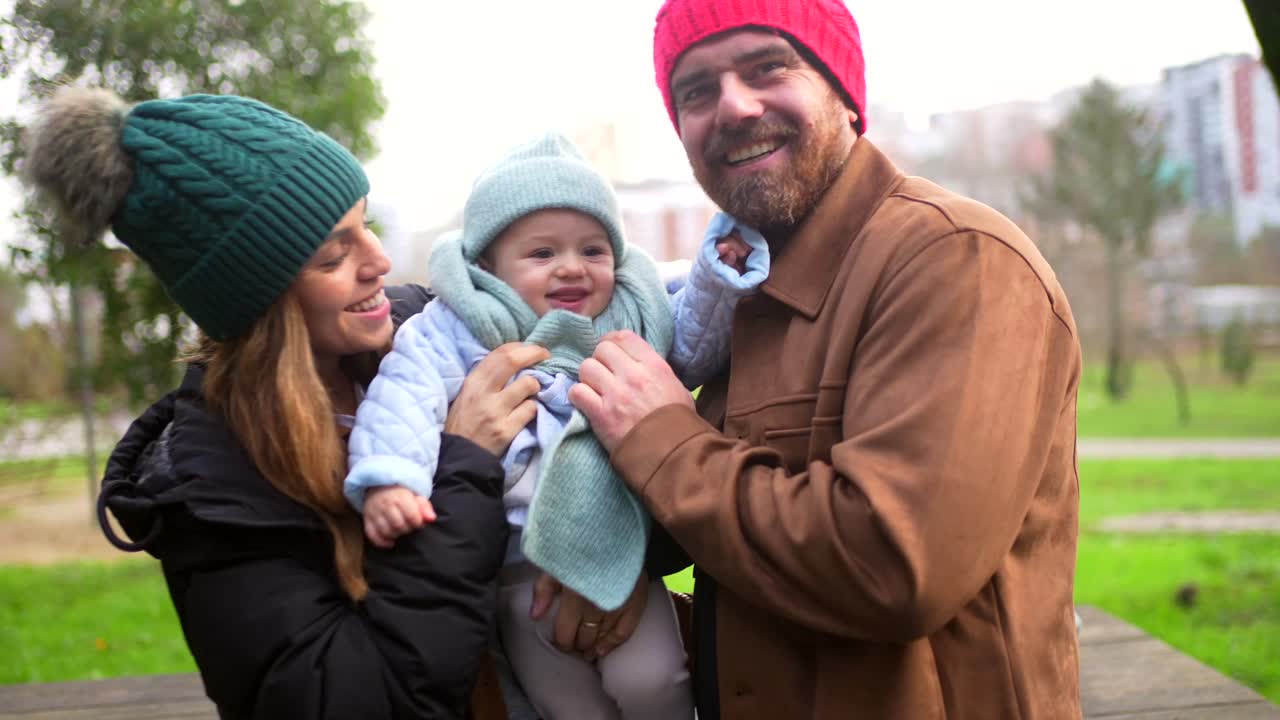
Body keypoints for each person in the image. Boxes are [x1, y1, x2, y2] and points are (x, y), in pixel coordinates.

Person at [568, 1, 1085, 719]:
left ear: (843, 91)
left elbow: (896, 565)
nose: (735, 107)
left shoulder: (956, 261)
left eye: (766, 67)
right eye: (697, 91)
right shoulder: (745, 288)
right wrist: (589, 568)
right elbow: (720, 528)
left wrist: (660, 438)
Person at [21, 86, 555, 720]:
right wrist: (463, 464)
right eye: (334, 253)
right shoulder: (213, 492)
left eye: (367, 225)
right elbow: (357, 700)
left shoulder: (430, 337)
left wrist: (599, 573)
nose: (379, 261)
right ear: (257, 301)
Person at [341, 131, 766, 720]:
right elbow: (403, 399)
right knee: (562, 705)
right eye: (542, 254)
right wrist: (391, 477)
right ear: (488, 264)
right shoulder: (455, 329)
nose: (572, 268)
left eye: (593, 250)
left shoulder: (631, 310)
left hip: (620, 551)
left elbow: (691, 341)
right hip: (517, 570)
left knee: (658, 680)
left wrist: (717, 277)